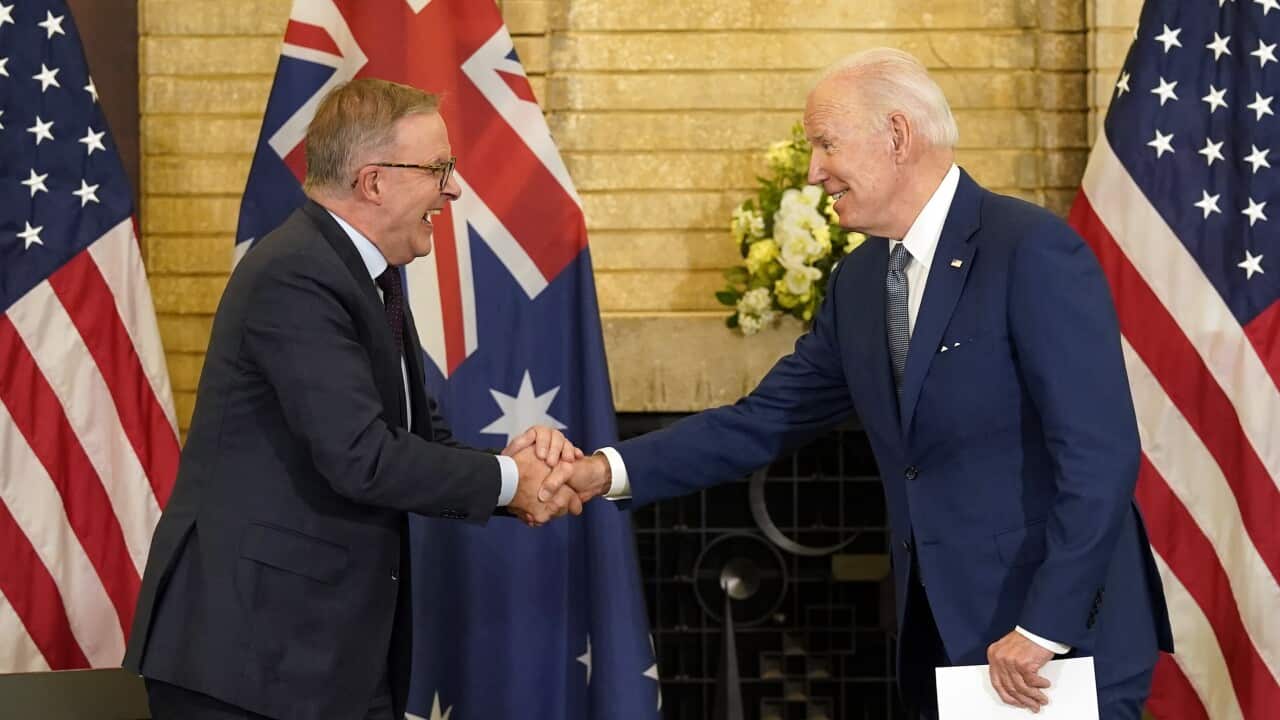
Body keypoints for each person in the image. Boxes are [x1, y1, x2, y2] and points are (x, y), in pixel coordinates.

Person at [545, 49, 1174, 720]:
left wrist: (1043, 627)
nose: (815, 170)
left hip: (1053, 646)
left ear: (897, 135)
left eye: (825, 143)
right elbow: (761, 420)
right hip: (943, 639)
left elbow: (1099, 457)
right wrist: (600, 471)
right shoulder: (862, 282)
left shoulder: (1030, 251)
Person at [123, 78, 580, 720]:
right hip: (248, 658)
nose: (453, 188)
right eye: (440, 169)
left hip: (324, 655)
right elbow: (360, 457)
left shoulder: (369, 275)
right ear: (374, 182)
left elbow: (418, 444)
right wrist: (512, 480)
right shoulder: (297, 273)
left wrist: (518, 468)